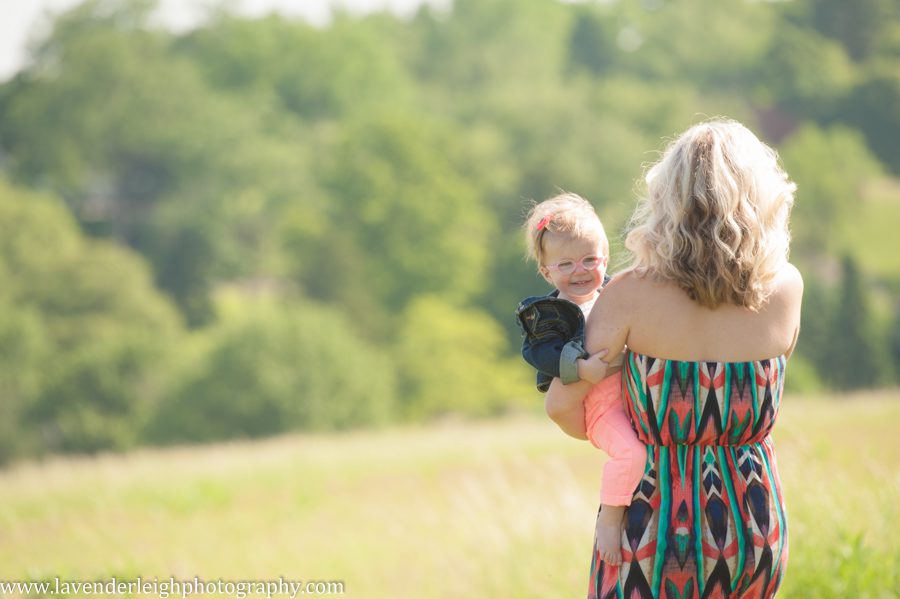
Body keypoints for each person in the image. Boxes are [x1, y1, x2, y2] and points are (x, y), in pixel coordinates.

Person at [545, 119, 803, 599]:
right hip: (754, 522)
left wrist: (621, 433)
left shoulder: (627, 295)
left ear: (668, 198)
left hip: (655, 525)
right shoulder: (787, 288)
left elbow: (563, 406)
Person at [515, 192, 647, 567]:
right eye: (566, 264)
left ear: (605, 259)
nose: (580, 271)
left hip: (634, 397)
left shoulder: (613, 296)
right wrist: (579, 367)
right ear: (547, 272)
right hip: (600, 408)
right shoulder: (550, 315)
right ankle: (610, 515)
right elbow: (537, 353)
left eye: (591, 259)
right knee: (632, 453)